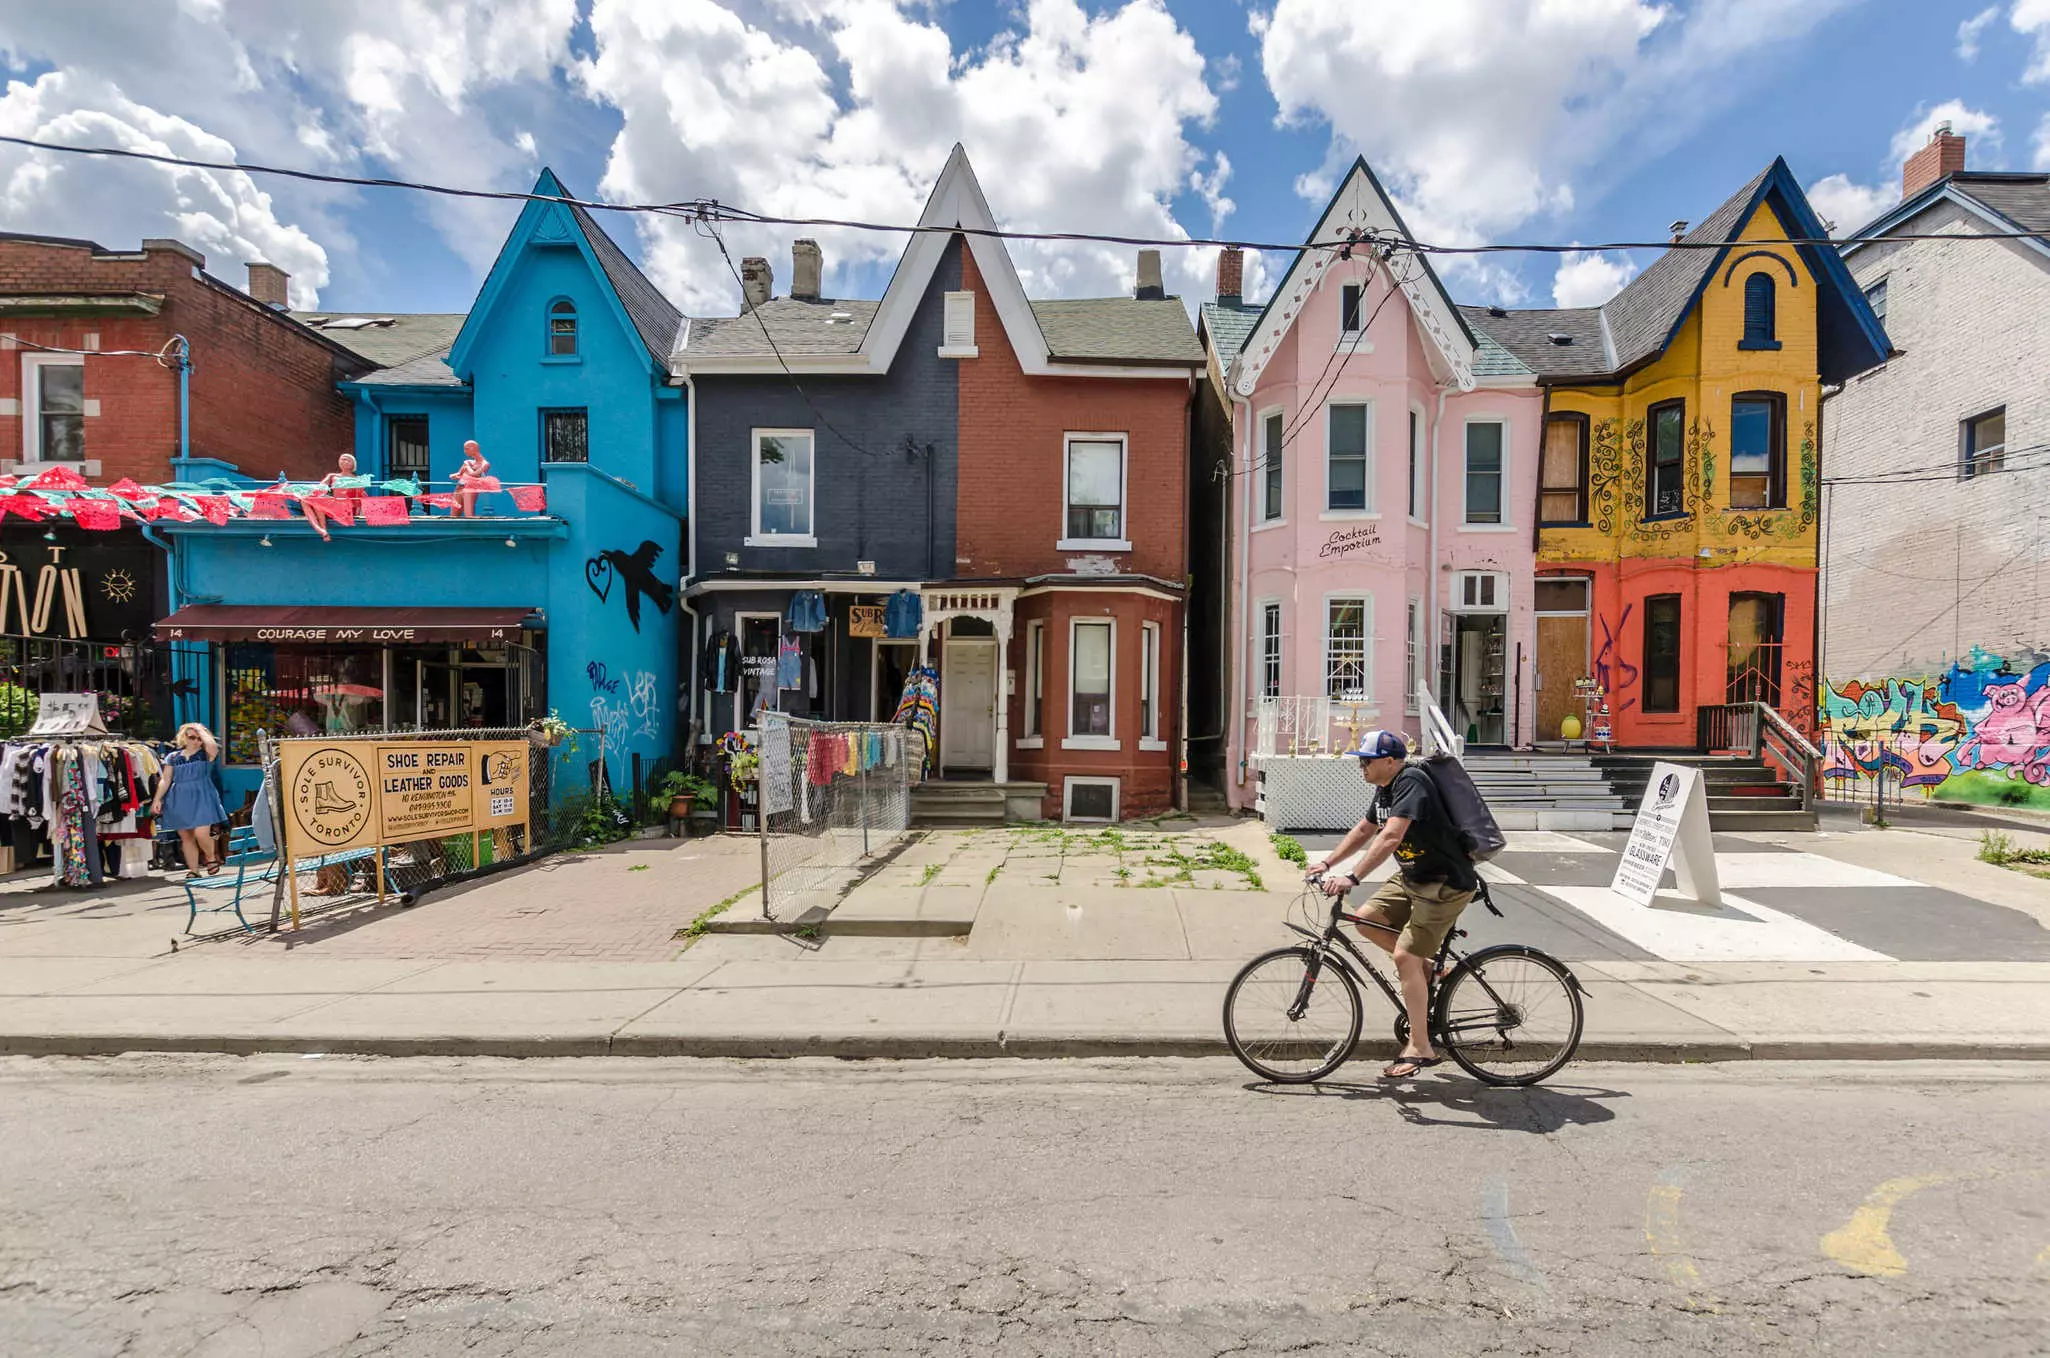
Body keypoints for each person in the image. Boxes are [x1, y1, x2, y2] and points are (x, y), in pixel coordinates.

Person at [1305, 731, 1477, 1081]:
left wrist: (1351, 877)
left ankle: (1421, 1047)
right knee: (1365, 920)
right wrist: (1327, 864)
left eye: (1366, 760)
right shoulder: (1385, 789)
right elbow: (1366, 829)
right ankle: (1427, 969)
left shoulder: (1411, 780)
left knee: (1403, 958)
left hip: (1444, 882)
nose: (1361, 766)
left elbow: (1392, 835)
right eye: (1360, 760)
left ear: (1390, 761)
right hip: (1414, 878)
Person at [151, 723, 228, 878]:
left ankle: (211, 857)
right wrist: (157, 799)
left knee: (201, 832)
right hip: (179, 797)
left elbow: (213, 747)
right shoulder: (173, 757)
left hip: (202, 795)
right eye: (191, 737)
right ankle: (193, 870)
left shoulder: (206, 753)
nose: (195, 741)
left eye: (199, 738)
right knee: (186, 836)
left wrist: (200, 730)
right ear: (184, 737)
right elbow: (166, 779)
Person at [452, 440, 500, 518]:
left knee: (469, 515)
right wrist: (455, 475)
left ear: (473, 448)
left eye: (466, 449)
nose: (465, 451)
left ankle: (470, 529)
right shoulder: (468, 462)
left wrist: (467, 467)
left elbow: (474, 474)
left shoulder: (485, 464)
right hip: (459, 488)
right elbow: (457, 474)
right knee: (454, 514)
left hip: (470, 489)